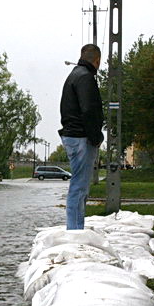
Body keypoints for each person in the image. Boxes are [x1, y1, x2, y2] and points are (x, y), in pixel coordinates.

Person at [58, 44, 104, 230]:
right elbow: (88, 110)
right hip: (81, 137)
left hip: (72, 134)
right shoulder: (86, 78)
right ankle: (75, 230)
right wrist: (96, 136)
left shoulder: (74, 75)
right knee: (79, 187)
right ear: (97, 60)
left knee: (79, 185)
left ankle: (75, 227)